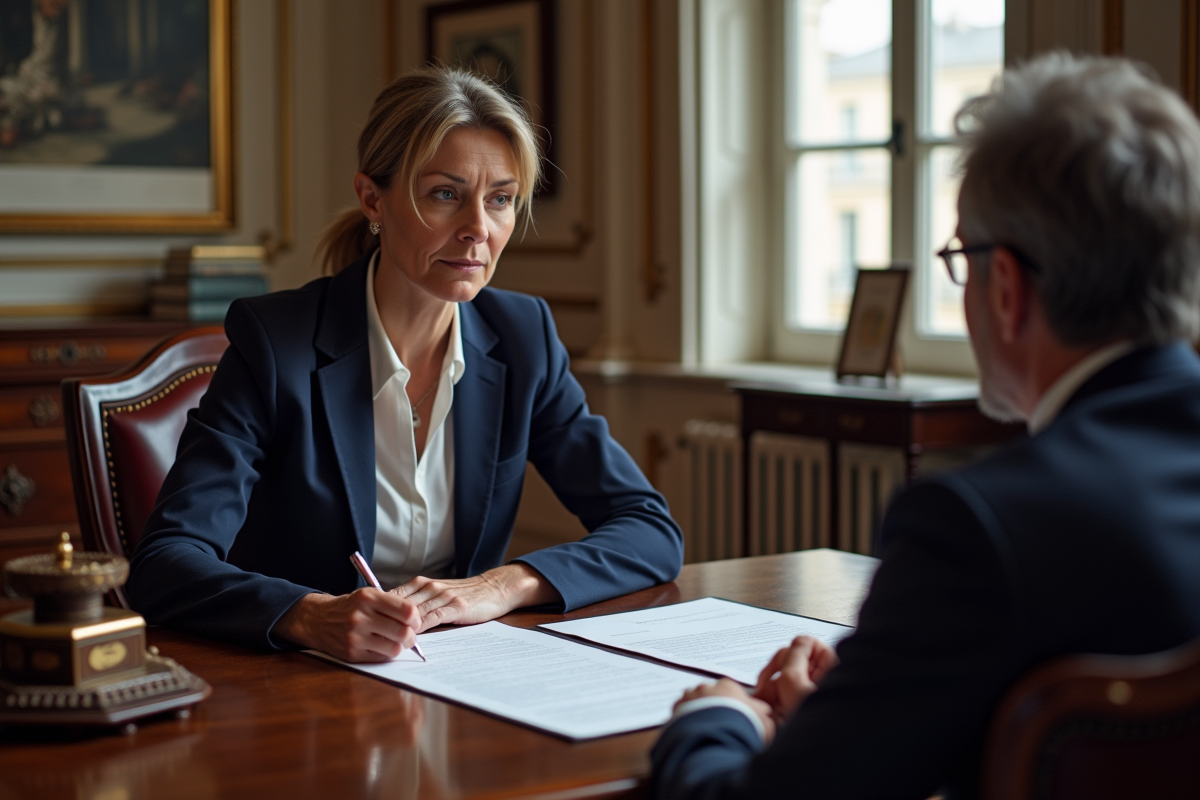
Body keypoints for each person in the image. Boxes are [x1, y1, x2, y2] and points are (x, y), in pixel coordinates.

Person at [651, 53, 1200, 800]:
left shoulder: (979, 526)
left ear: (1004, 286)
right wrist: (866, 713)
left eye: (960, 259)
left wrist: (715, 722)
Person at [127, 68, 683, 662]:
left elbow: (648, 531)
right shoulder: (276, 344)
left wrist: (502, 585)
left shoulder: (523, 339)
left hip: (455, 678)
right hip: (297, 686)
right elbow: (165, 563)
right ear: (373, 199)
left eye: (500, 200)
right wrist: (309, 616)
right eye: (445, 194)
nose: (477, 230)